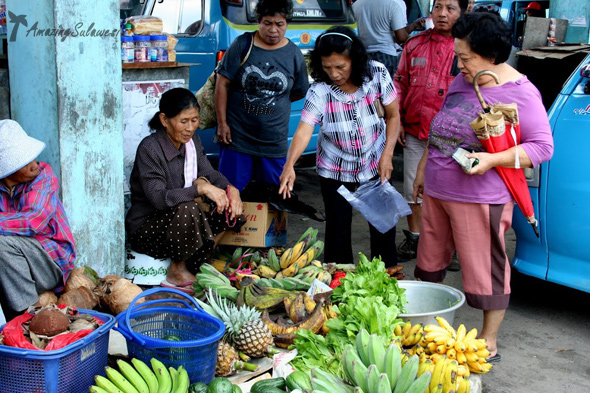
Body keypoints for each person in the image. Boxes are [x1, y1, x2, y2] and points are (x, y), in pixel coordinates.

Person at [413, 12, 553, 361]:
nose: (458, 64)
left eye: (465, 58)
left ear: (492, 56)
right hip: (438, 190)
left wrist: (491, 160)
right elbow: (442, 131)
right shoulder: (465, 79)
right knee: (429, 260)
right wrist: (422, 170)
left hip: (479, 197)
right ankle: (427, 326)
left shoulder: (521, 92)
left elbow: (542, 147)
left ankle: (488, 342)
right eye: (458, 55)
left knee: (484, 267)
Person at [278, 26, 401, 267]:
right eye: (327, 67)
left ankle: (386, 278)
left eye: (340, 67)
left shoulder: (376, 74)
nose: (334, 73)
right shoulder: (319, 90)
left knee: (383, 226)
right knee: (338, 230)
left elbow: (394, 116)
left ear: (354, 60)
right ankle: (338, 284)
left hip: (375, 162)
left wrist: (387, 156)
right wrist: (289, 165)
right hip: (335, 168)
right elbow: (304, 128)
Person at [126, 88, 246, 290]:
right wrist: (200, 190)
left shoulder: (192, 142)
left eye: (194, 120)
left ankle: (200, 260)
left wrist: (230, 189)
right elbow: (158, 198)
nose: (190, 128)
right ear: (164, 120)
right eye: (183, 121)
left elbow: (209, 172)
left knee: (230, 208)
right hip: (148, 229)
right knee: (188, 208)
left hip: (180, 225)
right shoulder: (150, 149)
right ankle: (177, 270)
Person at [394, 0, 467, 265]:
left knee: (454, 192)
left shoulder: (467, 48)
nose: (443, 14)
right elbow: (399, 82)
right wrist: (398, 119)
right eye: (438, 7)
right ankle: (415, 238)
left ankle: (455, 246)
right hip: (415, 128)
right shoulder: (414, 43)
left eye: (450, 8)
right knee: (413, 188)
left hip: (455, 136)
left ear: (463, 11)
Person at [214, 0, 309, 191]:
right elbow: (222, 84)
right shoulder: (242, 44)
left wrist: (273, 105)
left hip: (273, 141)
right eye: (267, 23)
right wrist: (222, 123)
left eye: (279, 24)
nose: (273, 29)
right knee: (231, 194)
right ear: (258, 21)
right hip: (237, 138)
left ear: (286, 24)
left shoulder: (293, 54)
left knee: (276, 197)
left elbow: (298, 91)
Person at [0, 120, 76, 318]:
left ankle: (28, 314)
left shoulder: (44, 176)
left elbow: (34, 220)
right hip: (18, 264)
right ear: (9, 169)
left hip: (53, 261)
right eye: (25, 161)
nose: (34, 164)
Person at [352, 0, 425, 77]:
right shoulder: (392, 5)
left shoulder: (356, 5)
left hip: (363, 56)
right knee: (386, 88)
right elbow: (401, 37)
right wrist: (420, 42)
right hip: (386, 57)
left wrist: (413, 25)